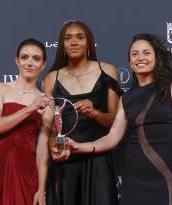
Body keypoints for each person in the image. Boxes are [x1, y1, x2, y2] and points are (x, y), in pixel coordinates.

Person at [66, 34, 172, 205]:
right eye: (135, 54)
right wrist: (78, 147)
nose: (140, 58)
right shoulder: (126, 98)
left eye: (146, 53)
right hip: (133, 181)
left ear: (156, 58)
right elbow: (112, 138)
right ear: (129, 62)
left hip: (165, 177)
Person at [42, 20, 121, 205]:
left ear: (89, 42)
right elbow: (52, 127)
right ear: (62, 45)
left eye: (79, 37)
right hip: (66, 160)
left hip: (99, 159)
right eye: (67, 38)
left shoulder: (107, 71)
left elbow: (115, 123)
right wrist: (54, 147)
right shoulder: (51, 78)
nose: (74, 42)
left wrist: (95, 113)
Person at [0, 38, 52, 205]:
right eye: (24, 57)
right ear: (17, 61)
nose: (29, 62)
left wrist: (41, 189)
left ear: (43, 64)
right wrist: (30, 109)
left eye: (36, 58)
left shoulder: (47, 102)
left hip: (24, 170)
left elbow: (42, 149)